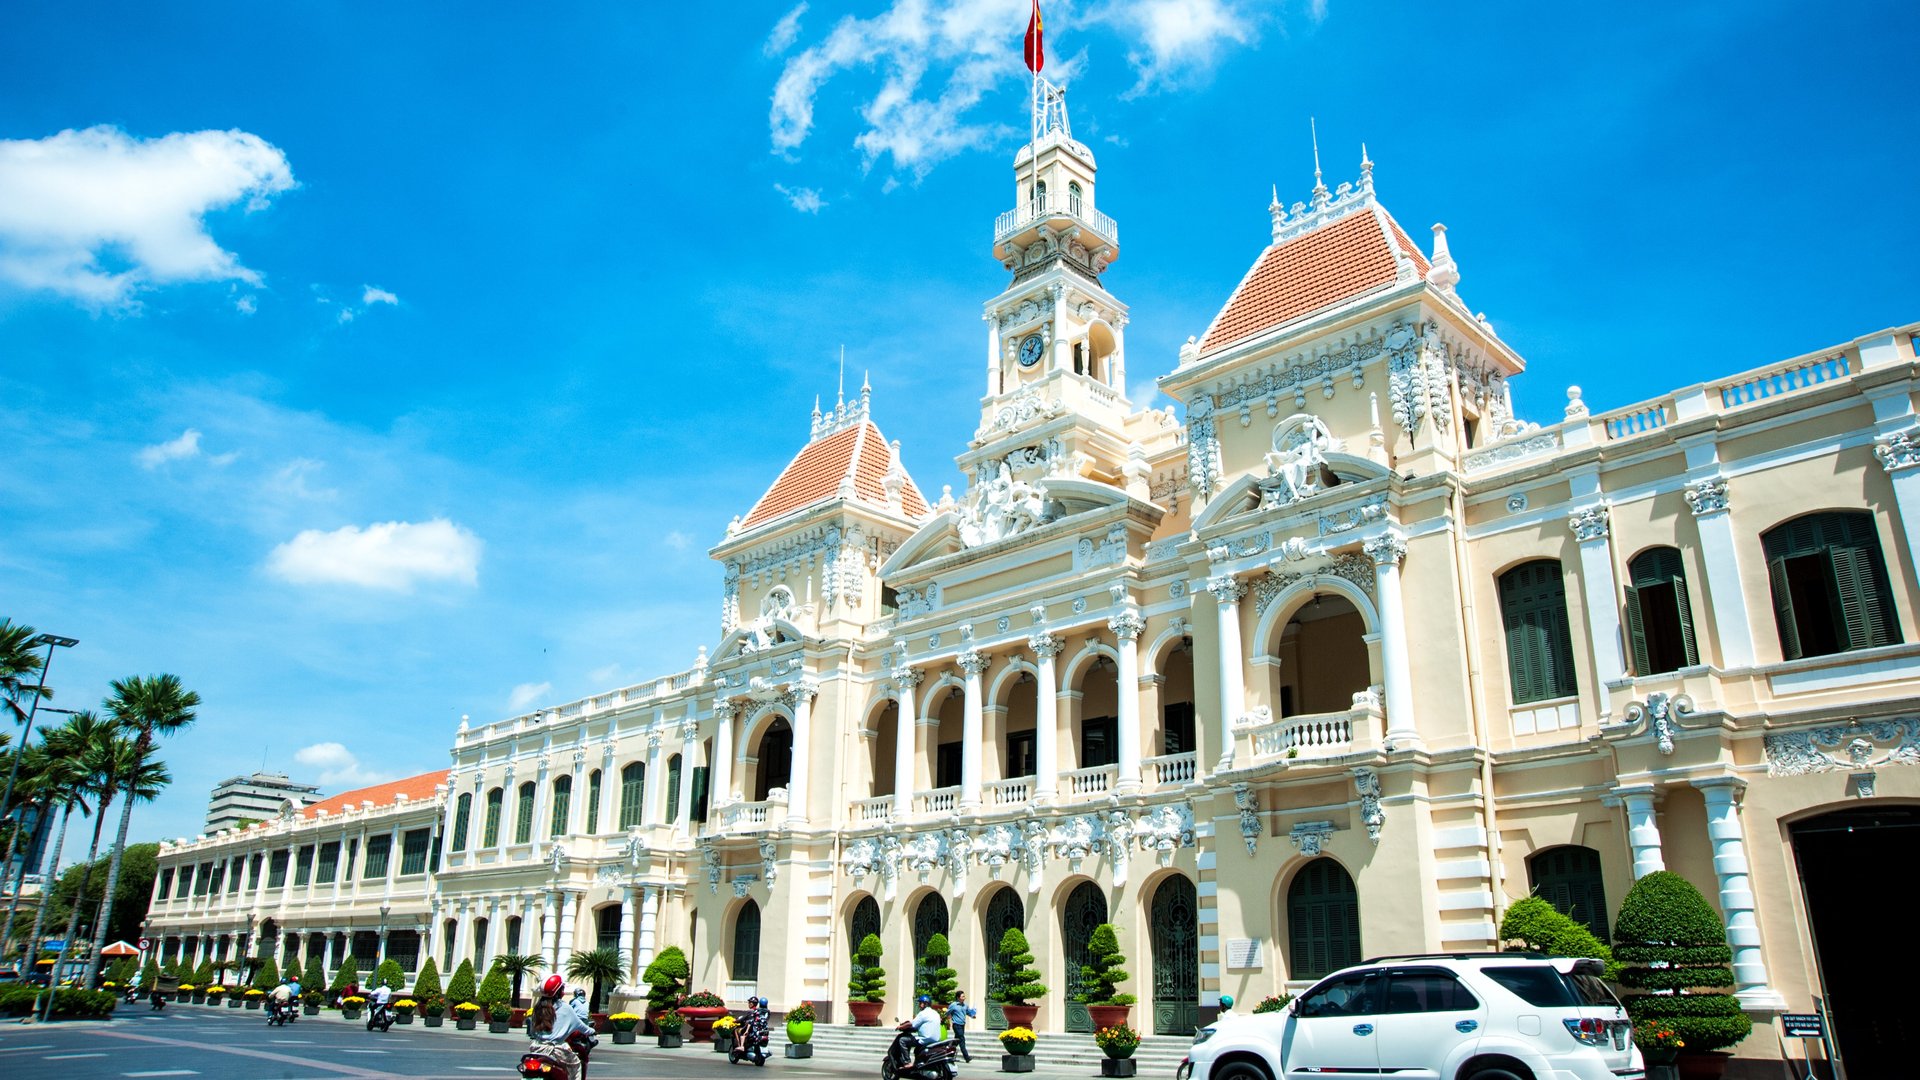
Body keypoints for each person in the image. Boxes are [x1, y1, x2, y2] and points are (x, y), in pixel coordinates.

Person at [532, 984, 596, 1080]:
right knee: (576, 1065)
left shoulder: (538, 1007)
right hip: (557, 1050)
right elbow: (581, 1027)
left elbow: (532, 1030)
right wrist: (592, 1031)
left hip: (536, 1048)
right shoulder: (566, 1008)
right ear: (559, 992)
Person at [946, 992, 978, 1063]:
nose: (964, 998)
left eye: (964, 996)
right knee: (962, 1040)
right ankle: (966, 1057)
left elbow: (968, 1012)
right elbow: (947, 1012)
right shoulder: (953, 1005)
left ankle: (949, 1054)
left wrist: (972, 1016)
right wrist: (948, 1017)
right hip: (956, 1025)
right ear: (958, 997)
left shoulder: (965, 1005)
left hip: (962, 1025)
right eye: (962, 996)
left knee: (956, 1041)